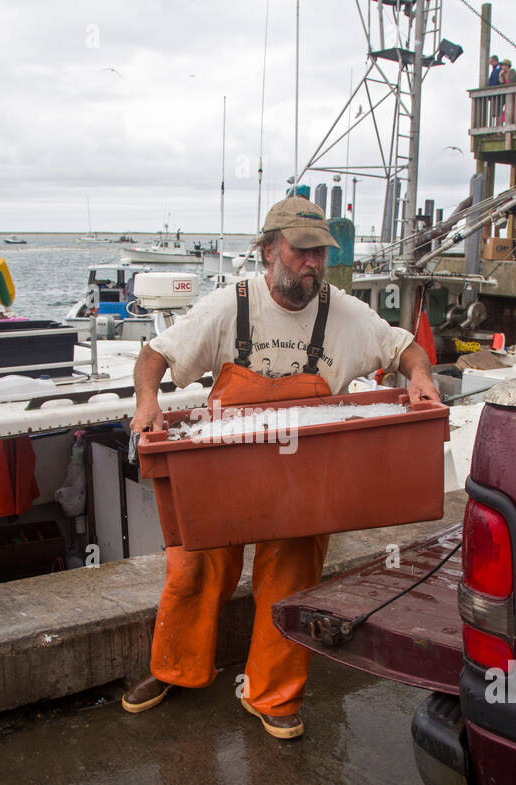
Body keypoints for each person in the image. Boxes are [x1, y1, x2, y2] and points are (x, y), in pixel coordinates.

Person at [121, 196, 442, 739]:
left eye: (320, 252)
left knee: (292, 576)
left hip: (303, 477)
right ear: (269, 249)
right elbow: (155, 354)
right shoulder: (229, 305)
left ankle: (272, 694)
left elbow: (404, 346)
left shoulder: (343, 312)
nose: (312, 263)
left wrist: (420, 378)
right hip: (226, 471)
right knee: (194, 567)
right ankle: (173, 670)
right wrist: (147, 401)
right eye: (301, 251)